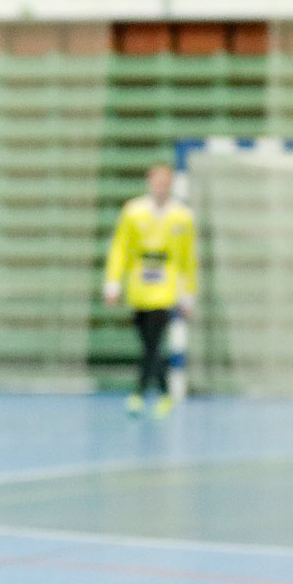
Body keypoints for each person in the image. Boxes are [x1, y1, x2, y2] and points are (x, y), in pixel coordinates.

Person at [102, 165, 196, 417]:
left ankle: (141, 393)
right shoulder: (133, 212)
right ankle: (163, 392)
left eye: (166, 181)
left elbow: (188, 258)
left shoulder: (182, 216)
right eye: (157, 181)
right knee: (148, 342)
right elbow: (120, 248)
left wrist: (188, 295)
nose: (161, 185)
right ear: (149, 182)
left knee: (153, 342)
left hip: (166, 287)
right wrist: (113, 283)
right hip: (139, 285)